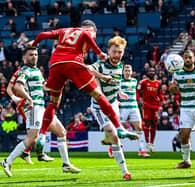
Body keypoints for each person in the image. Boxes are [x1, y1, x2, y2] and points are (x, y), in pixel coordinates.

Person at [31, 20, 136, 152]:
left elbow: (41, 35)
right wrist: (99, 53)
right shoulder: (88, 32)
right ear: (93, 30)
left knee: (53, 103)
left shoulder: (64, 31)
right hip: (73, 62)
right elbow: (87, 37)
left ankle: (42, 135)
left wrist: (34, 45)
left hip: (55, 63)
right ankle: (119, 128)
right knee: (98, 95)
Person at [1, 46, 81, 178]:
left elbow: (44, 86)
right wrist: (28, 99)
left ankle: (66, 164)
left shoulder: (37, 70)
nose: (34, 57)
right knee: (32, 138)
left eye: (36, 54)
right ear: (25, 57)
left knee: (61, 132)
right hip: (33, 108)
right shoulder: (25, 70)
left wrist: (57, 83)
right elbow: (17, 86)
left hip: (42, 108)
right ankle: (7, 161)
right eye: (31, 55)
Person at [89, 36, 136, 180]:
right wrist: (102, 77)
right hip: (99, 106)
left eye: (119, 52)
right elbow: (88, 69)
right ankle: (125, 172)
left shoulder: (121, 66)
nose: (117, 55)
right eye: (114, 52)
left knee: (114, 135)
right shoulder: (101, 64)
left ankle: (110, 141)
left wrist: (120, 92)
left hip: (114, 103)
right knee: (114, 134)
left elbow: (117, 81)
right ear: (108, 51)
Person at [6, 65, 54, 165]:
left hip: (34, 104)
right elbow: (9, 89)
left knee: (34, 132)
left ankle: (27, 153)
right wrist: (15, 98)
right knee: (33, 133)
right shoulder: (19, 73)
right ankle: (34, 154)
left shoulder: (34, 72)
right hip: (25, 104)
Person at [170, 50, 195, 177]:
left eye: (189, 57)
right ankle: (186, 161)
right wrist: (172, 88)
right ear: (182, 60)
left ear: (194, 58)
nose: (187, 59)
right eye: (185, 57)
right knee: (184, 135)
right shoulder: (177, 74)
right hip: (186, 108)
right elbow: (172, 91)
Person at [120, 64, 150, 157]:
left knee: (139, 128)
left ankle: (142, 150)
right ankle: (114, 148)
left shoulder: (134, 81)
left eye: (129, 70)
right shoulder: (119, 82)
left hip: (134, 107)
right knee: (119, 128)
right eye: (126, 70)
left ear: (132, 72)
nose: (128, 72)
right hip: (123, 108)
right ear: (123, 72)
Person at [137, 67, 165, 152]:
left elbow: (160, 94)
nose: (151, 72)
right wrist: (139, 100)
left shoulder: (158, 83)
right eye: (150, 71)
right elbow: (137, 92)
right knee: (147, 123)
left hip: (155, 106)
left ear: (155, 72)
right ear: (147, 72)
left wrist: (162, 101)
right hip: (146, 105)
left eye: (153, 71)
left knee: (154, 124)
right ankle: (147, 142)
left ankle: (152, 143)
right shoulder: (143, 82)